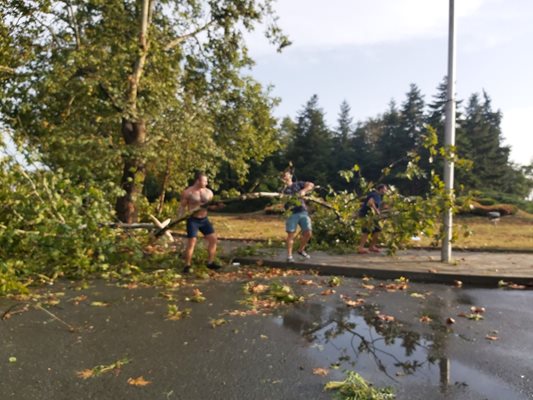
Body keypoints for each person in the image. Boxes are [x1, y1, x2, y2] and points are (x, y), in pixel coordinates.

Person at [178, 171, 222, 273]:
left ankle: (210, 263)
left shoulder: (209, 192)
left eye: (206, 181)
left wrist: (218, 206)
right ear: (198, 181)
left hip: (204, 219)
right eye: (204, 181)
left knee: (213, 239)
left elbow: (210, 206)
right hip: (193, 220)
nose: (206, 183)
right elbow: (182, 207)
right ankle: (187, 265)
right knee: (192, 242)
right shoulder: (188, 192)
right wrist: (179, 217)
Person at [281, 170, 315, 263]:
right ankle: (289, 256)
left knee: (308, 233)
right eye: (283, 176)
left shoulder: (298, 184)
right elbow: (281, 198)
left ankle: (301, 250)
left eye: (286, 175)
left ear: (291, 176)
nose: (284, 176)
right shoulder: (283, 189)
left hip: (303, 211)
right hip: (291, 213)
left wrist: (303, 190)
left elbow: (311, 184)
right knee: (291, 235)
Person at [357, 183, 388, 254]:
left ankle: (372, 246)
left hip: (371, 216)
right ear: (381, 189)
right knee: (366, 231)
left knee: (378, 229)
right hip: (367, 216)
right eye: (385, 189)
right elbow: (370, 202)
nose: (386, 191)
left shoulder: (378, 196)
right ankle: (360, 248)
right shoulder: (375, 194)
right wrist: (376, 210)